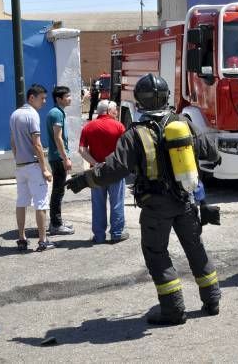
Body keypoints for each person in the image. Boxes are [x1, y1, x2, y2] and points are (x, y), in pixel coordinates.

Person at [67, 74, 221, 325]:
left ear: (139, 101)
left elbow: (114, 170)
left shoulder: (134, 134)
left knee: (156, 253)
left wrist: (83, 180)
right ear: (166, 97)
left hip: (156, 206)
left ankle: (172, 310)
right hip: (186, 202)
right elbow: (211, 154)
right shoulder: (183, 123)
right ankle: (212, 300)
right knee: (196, 249)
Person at [9, 84, 55, 252]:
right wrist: (44, 169)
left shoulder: (14, 115)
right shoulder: (32, 115)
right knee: (41, 203)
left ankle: (21, 238)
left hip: (20, 165)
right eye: (41, 98)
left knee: (21, 201)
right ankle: (43, 241)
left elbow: (13, 142)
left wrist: (18, 159)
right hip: (34, 166)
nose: (43, 102)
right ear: (31, 98)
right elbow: (37, 144)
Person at [78, 100, 128, 243]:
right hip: (115, 171)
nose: (117, 113)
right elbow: (124, 149)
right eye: (115, 110)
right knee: (117, 202)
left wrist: (96, 164)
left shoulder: (88, 127)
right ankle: (117, 233)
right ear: (108, 111)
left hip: (96, 173)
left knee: (98, 204)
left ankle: (99, 236)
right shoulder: (118, 126)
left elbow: (81, 150)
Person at [46, 86, 75, 236]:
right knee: (58, 191)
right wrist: (65, 158)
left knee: (58, 190)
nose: (70, 98)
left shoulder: (56, 112)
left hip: (57, 156)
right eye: (67, 96)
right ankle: (56, 224)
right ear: (59, 99)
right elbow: (58, 138)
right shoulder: (57, 113)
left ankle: (55, 222)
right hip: (58, 157)